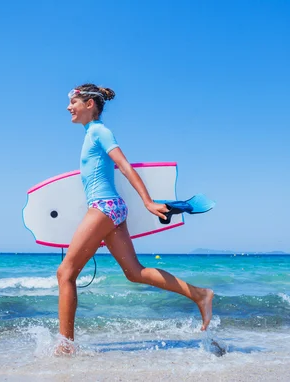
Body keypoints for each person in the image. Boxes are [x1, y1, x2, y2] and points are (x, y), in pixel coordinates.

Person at [54, 83, 214, 355]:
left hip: (104, 208)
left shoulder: (99, 132)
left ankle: (65, 347)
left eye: (74, 102)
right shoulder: (91, 133)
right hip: (108, 208)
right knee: (135, 273)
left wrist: (148, 202)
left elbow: (125, 167)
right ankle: (200, 294)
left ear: (89, 104)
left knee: (65, 273)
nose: (69, 107)